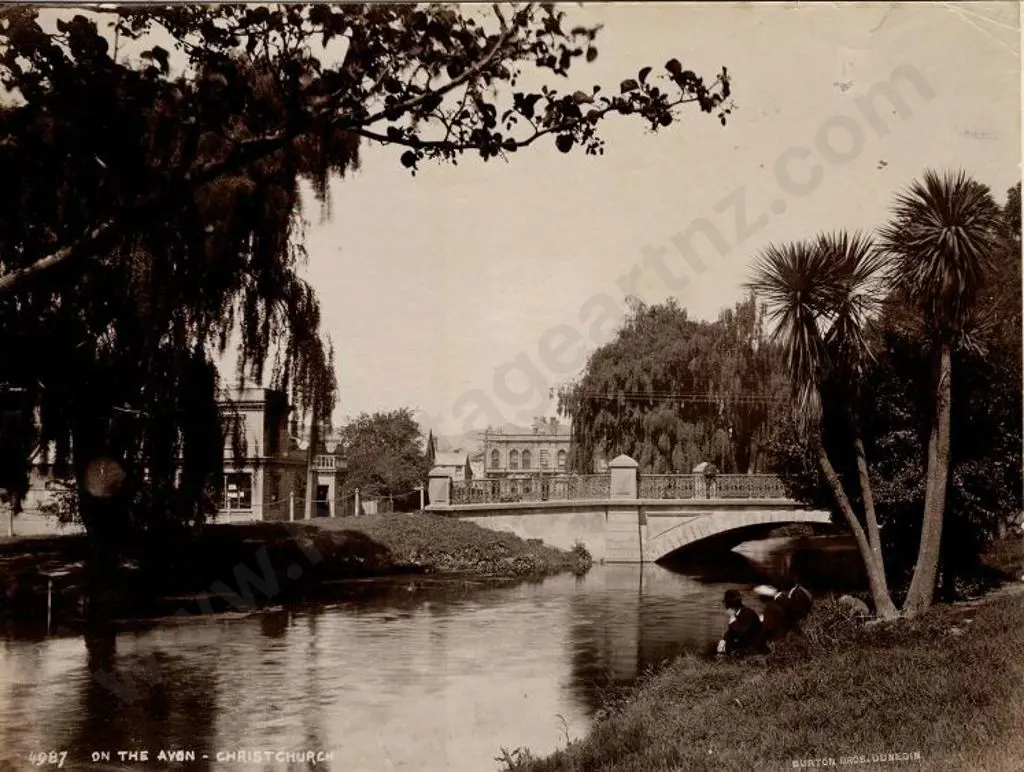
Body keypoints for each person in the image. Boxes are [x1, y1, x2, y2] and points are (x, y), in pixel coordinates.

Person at [716, 589, 767, 656]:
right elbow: (731, 632)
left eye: (726, 604)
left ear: (730, 606)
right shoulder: (739, 612)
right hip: (747, 646)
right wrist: (724, 640)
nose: (725, 607)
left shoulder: (747, 613)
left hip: (755, 650)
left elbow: (742, 631)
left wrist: (733, 619)